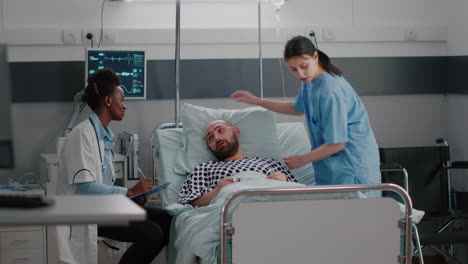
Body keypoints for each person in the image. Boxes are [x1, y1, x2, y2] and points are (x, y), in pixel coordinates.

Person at [231, 35, 381, 198]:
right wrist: (256, 101)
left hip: (352, 167)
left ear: (315, 57)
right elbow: (297, 108)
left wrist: (301, 160)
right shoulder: (310, 82)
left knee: (359, 218)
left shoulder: (330, 92)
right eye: (293, 69)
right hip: (331, 169)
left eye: (304, 66)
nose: (300, 73)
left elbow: (337, 144)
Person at [56, 69, 171, 264]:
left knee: (166, 219)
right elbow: (85, 187)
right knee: (152, 233)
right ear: (108, 101)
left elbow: (105, 182)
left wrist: (132, 198)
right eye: (122, 99)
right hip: (87, 213)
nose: (124, 106)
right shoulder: (81, 136)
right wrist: (129, 191)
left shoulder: (104, 135)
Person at [179, 120, 297, 206]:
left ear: (236, 132)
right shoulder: (204, 168)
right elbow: (191, 204)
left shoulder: (270, 163)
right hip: (232, 211)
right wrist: (218, 190)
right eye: (210, 138)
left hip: (275, 205)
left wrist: (283, 181)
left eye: (221, 130)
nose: (217, 138)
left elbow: (303, 194)